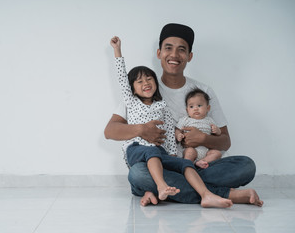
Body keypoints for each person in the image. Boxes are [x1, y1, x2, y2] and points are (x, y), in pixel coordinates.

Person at [104, 23, 263, 207]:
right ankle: (223, 194)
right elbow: (110, 131)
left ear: (189, 56)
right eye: (168, 48)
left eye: (181, 50)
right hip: (161, 166)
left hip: (200, 165)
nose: (174, 55)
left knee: (246, 165)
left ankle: (161, 189)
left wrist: (203, 138)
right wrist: (142, 130)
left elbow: (226, 141)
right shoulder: (143, 88)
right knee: (139, 173)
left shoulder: (203, 91)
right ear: (159, 53)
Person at [175, 88, 222, 169]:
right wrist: (178, 135)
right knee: (189, 153)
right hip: (192, 148)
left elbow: (218, 133)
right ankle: (187, 167)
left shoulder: (209, 120)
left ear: (208, 108)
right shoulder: (185, 119)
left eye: (199, 105)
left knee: (217, 153)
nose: (195, 108)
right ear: (187, 110)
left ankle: (201, 162)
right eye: (191, 106)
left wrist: (217, 130)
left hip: (206, 150)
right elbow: (178, 129)